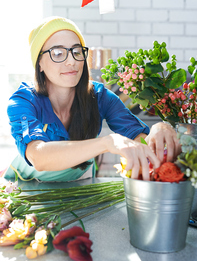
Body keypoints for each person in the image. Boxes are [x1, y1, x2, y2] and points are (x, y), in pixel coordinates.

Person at [5, 16, 180, 182]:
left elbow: (138, 139)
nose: (71, 61)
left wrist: (160, 129)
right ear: (39, 63)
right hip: (25, 193)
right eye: (57, 53)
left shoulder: (99, 96)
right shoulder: (23, 101)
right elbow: (38, 156)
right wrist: (107, 142)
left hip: (80, 190)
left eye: (77, 51)